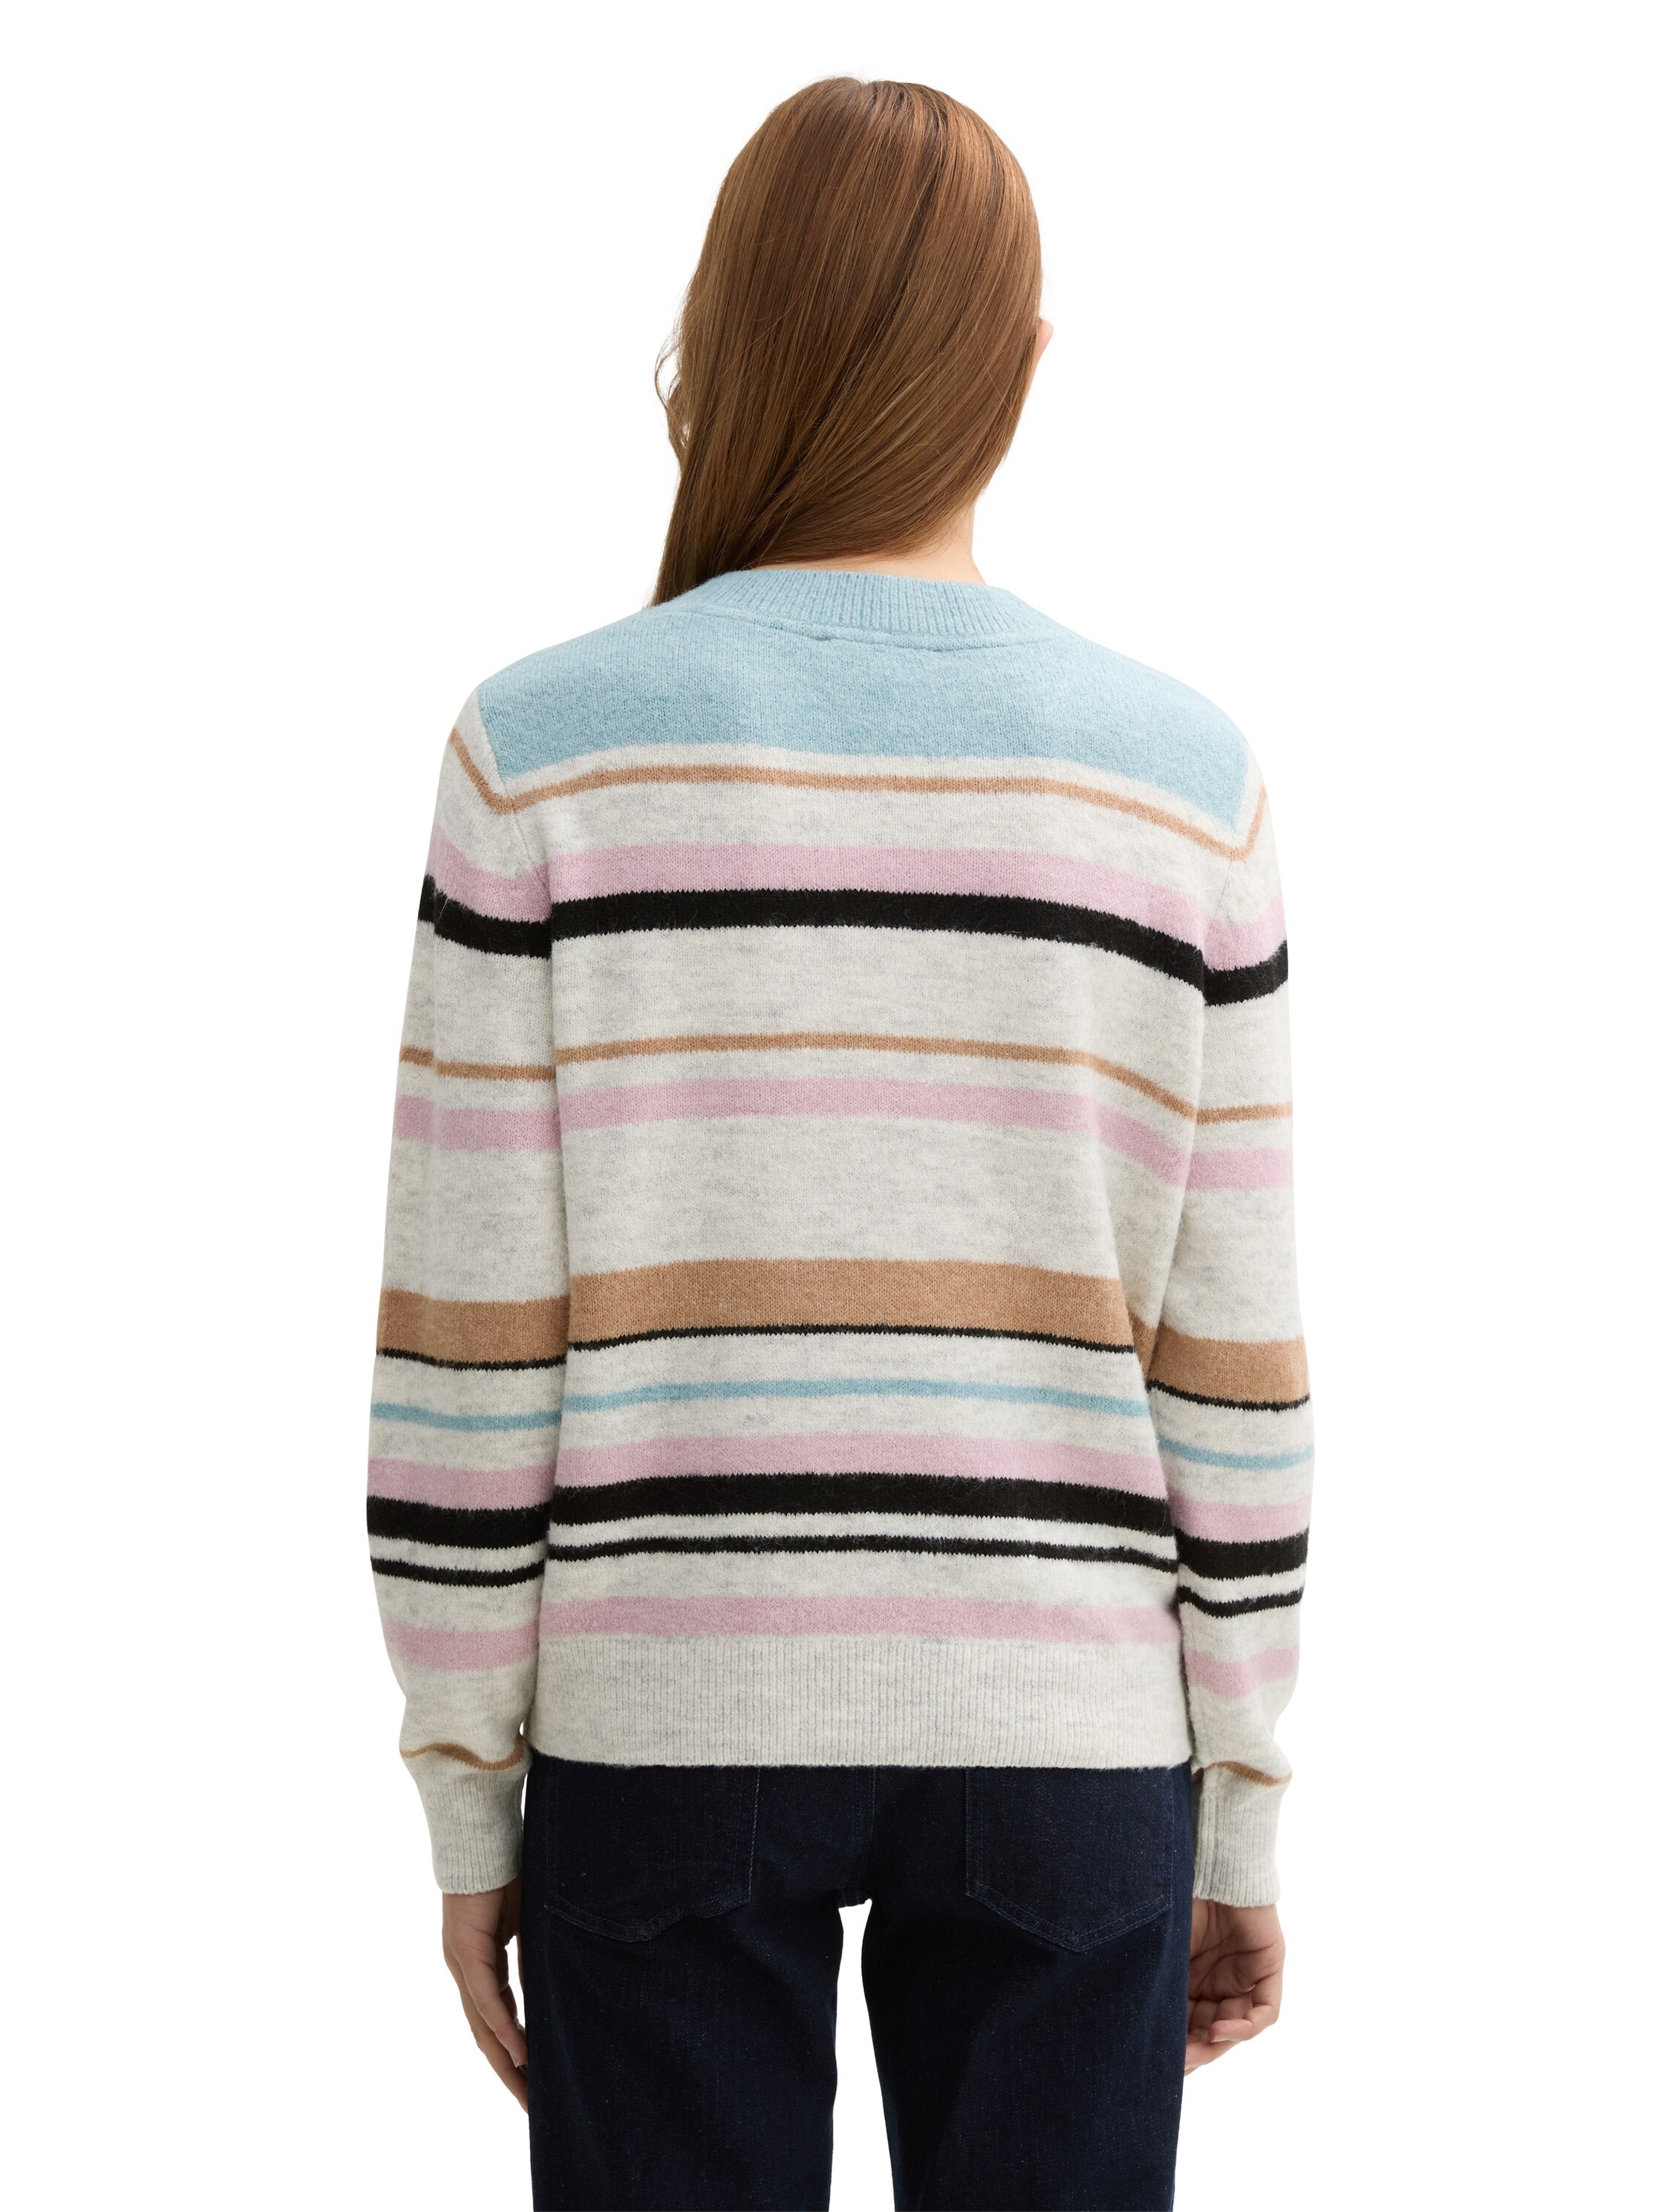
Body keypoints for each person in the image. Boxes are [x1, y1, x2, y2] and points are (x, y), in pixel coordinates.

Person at [368, 75, 1307, 2212]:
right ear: (1023, 361)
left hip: (663, 1718)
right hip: (1072, 1737)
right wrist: (1240, 1812)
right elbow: (1236, 1378)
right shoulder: (1186, 784)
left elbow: (466, 1352)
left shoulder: (539, 756)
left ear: (721, 335)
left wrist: (469, 1800)